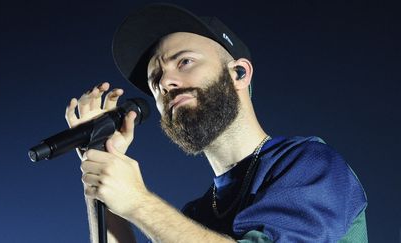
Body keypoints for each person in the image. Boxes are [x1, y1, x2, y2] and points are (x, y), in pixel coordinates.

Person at [65, 3, 368, 243]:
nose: (165, 83)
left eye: (184, 62)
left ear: (239, 74)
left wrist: (139, 203)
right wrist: (100, 164)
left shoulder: (309, 164)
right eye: (155, 79)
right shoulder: (196, 216)